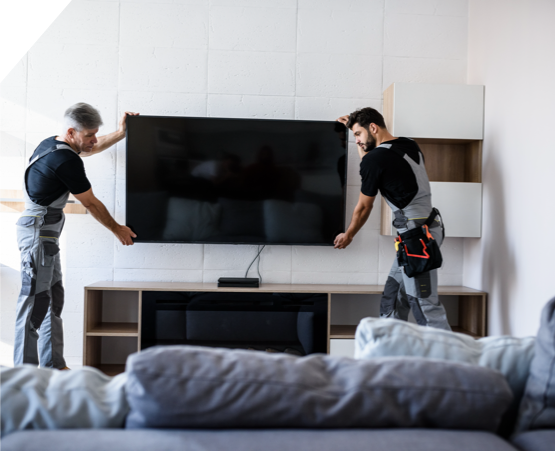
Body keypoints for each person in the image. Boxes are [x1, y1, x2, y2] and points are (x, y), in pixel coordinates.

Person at [14, 102, 139, 369]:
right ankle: (23, 377)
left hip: (46, 237)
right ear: (72, 132)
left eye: (96, 134)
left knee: (52, 300)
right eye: (89, 135)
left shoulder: (54, 144)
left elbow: (91, 148)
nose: (94, 140)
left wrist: (120, 133)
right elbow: (91, 203)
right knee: (33, 304)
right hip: (38, 235)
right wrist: (117, 229)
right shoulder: (65, 160)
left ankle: (54, 365)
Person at [334, 107, 451, 330]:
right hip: (429, 227)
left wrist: (349, 234)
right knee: (393, 296)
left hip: (417, 239)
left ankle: (452, 361)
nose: (356, 140)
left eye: (358, 135)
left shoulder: (375, 160)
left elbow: (363, 207)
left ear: (373, 128)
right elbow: (372, 161)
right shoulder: (408, 144)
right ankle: (391, 350)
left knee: (425, 304)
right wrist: (354, 128)